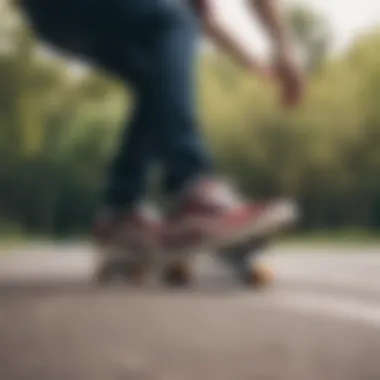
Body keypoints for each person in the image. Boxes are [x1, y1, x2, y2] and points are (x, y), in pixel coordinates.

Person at [17, 0, 304, 256]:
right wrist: (285, 47)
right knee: (172, 21)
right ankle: (191, 188)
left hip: (48, 14)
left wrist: (256, 64)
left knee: (157, 71)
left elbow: (202, 16)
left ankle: (121, 209)